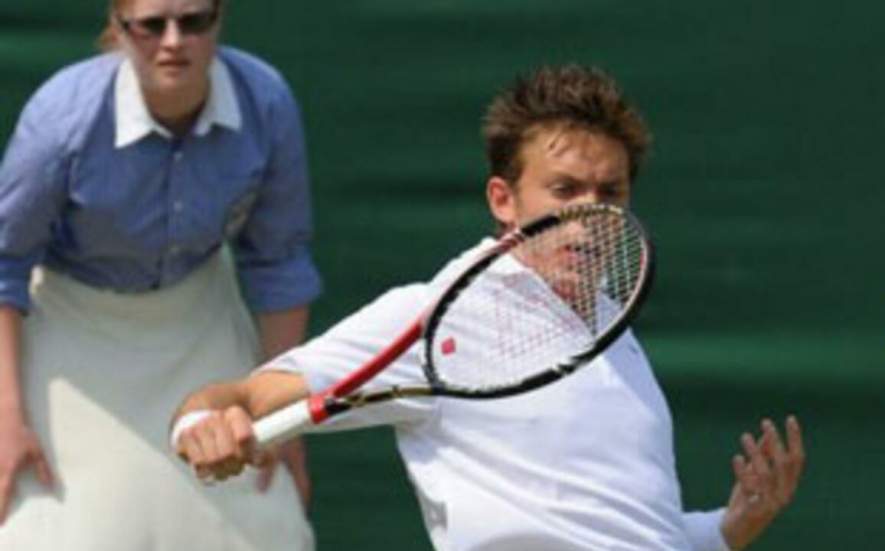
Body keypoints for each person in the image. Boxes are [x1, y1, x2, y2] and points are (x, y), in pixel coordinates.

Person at [172, 64, 806, 551]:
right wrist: (200, 427)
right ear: (504, 200)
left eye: (608, 192)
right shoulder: (437, 315)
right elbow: (239, 399)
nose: (589, 214)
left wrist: (724, 529)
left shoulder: (612, 324)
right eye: (563, 190)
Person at [0, 0, 319, 549]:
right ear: (120, 28)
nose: (174, 41)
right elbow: (3, 264)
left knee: (268, 528)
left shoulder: (265, 100)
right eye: (151, 25)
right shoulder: (62, 117)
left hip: (201, 319)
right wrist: (7, 420)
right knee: (50, 533)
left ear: (218, 21)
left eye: (194, 21)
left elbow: (280, 262)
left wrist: (278, 413)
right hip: (69, 325)